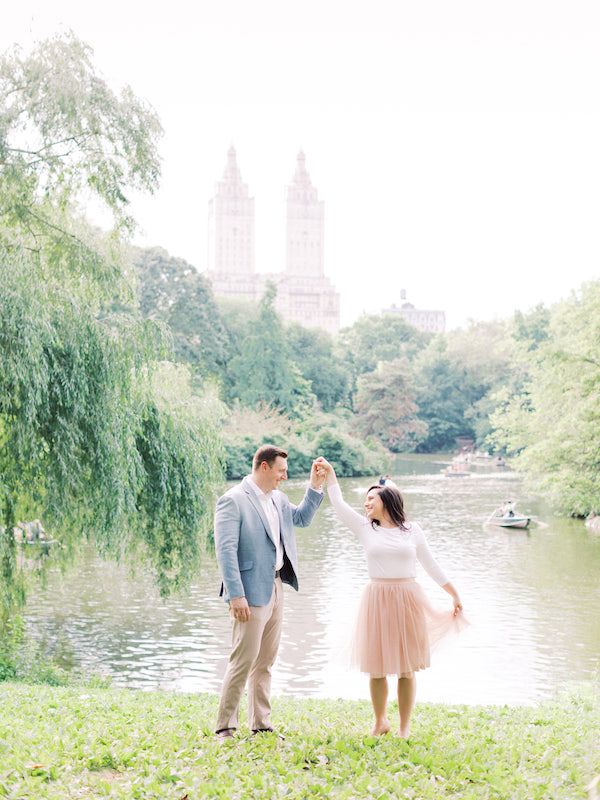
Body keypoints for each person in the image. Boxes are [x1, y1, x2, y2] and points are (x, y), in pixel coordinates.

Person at [314, 457, 467, 739]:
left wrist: (454, 594)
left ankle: (404, 727)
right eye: (366, 499)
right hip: (377, 598)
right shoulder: (364, 528)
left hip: (408, 598)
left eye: (372, 498)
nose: (367, 503)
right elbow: (338, 503)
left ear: (388, 499)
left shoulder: (412, 530)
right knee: (377, 667)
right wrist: (331, 474)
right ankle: (380, 721)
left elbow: (431, 564)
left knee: (407, 669)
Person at [214, 444, 326, 740]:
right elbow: (225, 551)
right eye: (281, 471)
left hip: (276, 587)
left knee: (265, 661)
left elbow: (301, 518)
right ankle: (225, 725)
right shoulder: (233, 500)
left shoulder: (278, 499)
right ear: (264, 467)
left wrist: (315, 487)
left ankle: (260, 724)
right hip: (248, 593)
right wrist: (235, 595)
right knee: (243, 660)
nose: (284, 477)